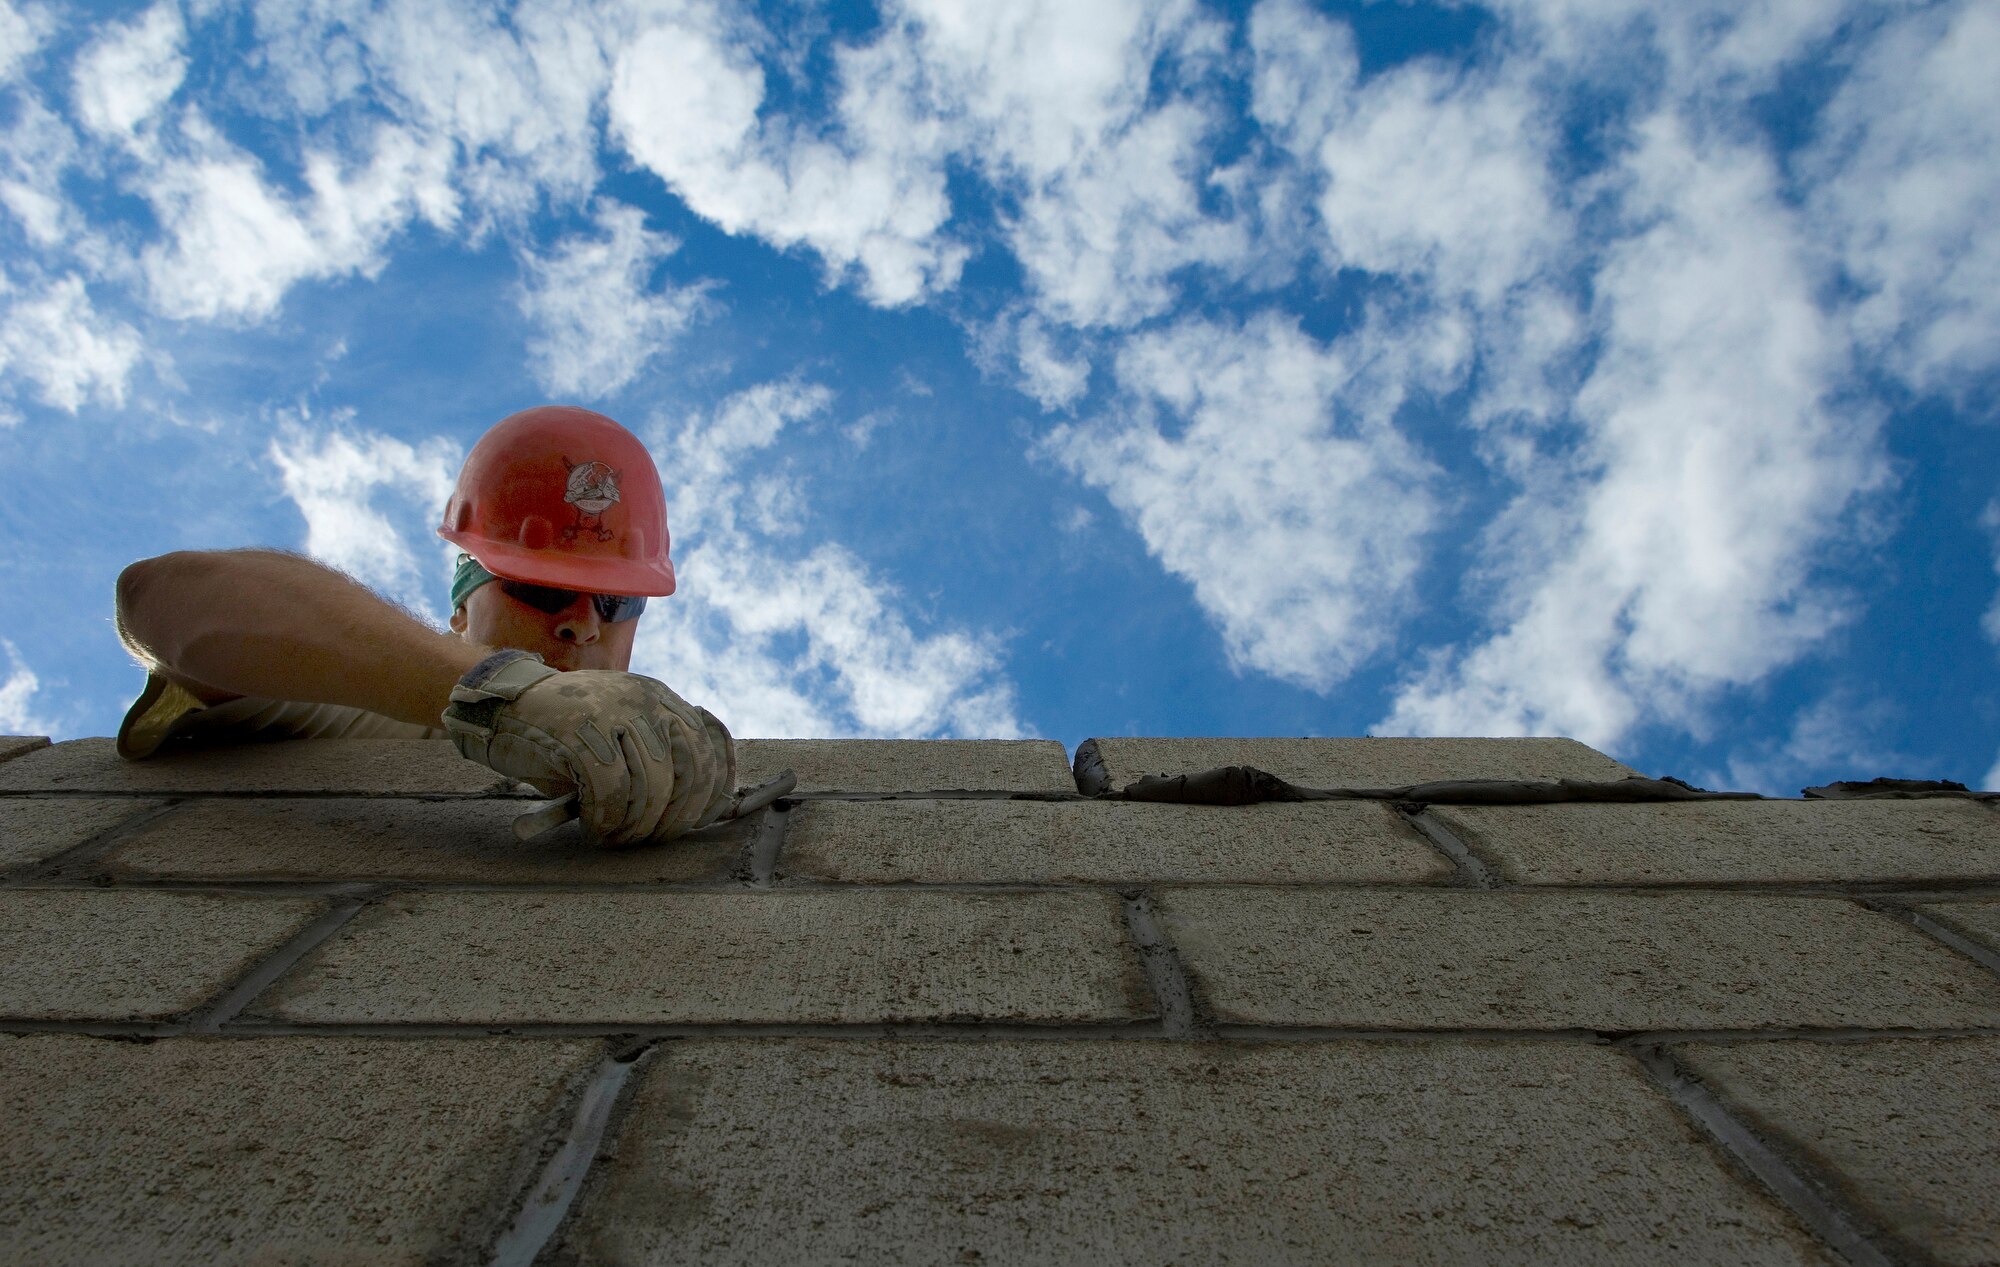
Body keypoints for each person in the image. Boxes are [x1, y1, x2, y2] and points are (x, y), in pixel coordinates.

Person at [114, 404, 755, 845]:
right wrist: (508, 694)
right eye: (541, 589)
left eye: (616, 603)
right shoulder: (350, 705)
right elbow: (158, 597)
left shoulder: (660, 770)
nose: (583, 627)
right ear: (461, 607)